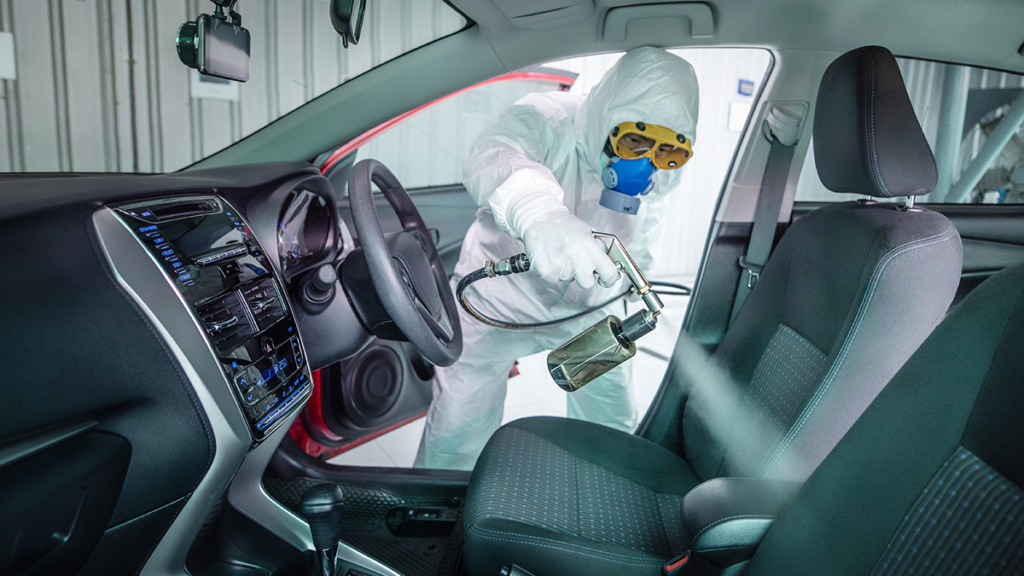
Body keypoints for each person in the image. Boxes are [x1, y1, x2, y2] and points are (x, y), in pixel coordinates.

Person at [414, 47, 699, 470]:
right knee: (458, 425)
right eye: (634, 139)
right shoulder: (547, 118)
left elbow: (644, 225)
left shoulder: (662, 169)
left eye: (665, 150)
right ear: (607, 114)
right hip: (499, 302)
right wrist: (539, 213)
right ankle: (434, 516)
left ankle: (611, 506)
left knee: (610, 423)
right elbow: (494, 156)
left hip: (587, 310)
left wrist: (633, 281)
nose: (646, 163)